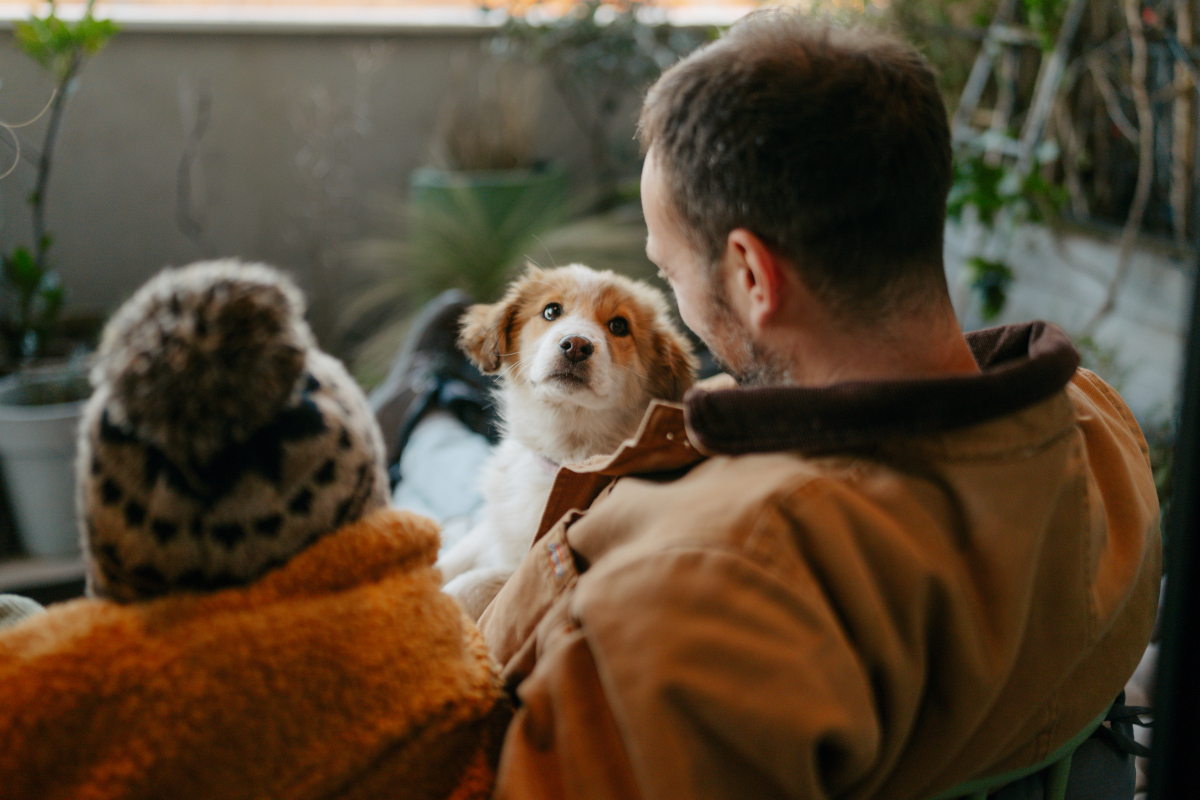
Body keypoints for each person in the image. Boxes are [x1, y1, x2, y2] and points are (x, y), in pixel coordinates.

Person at [376, 11, 1160, 800]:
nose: (678, 301)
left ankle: (425, 405)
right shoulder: (1100, 431)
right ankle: (431, 404)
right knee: (455, 470)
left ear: (751, 274)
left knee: (435, 476)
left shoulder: (707, 582)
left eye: (669, 270)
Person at [0, 261, 508, 800]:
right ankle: (426, 404)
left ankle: (421, 401)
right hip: (399, 551)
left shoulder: (49, 693)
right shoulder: (431, 646)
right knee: (464, 491)